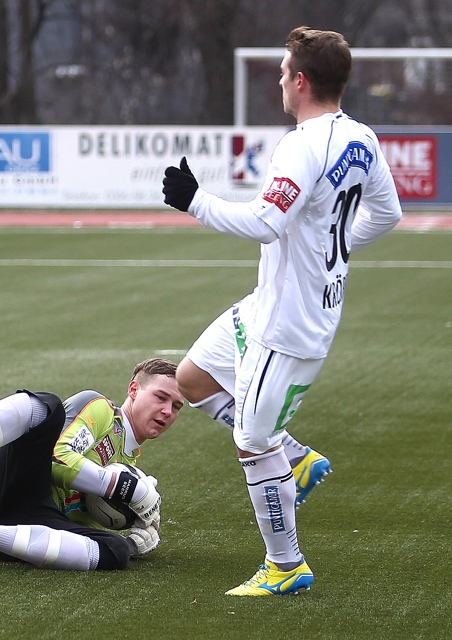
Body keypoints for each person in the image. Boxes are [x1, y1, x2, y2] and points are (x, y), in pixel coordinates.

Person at [162, 26, 402, 596]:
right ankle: (294, 457)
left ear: (300, 81)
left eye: (282, 71)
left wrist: (197, 202)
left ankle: (286, 565)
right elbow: (387, 214)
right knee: (191, 379)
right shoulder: (361, 138)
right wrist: (332, 251)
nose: (277, 80)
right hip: (266, 305)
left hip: (287, 324)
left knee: (251, 439)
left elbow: (267, 222)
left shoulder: (301, 145)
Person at [0, 358, 184, 571]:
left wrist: (138, 535)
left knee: (115, 553)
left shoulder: (130, 467)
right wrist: (122, 488)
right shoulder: (100, 410)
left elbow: (83, 523)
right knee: (48, 408)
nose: (167, 411)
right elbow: (57, 460)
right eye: (161, 397)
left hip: (12, 536)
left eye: (176, 406)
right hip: (2, 484)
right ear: (134, 390)